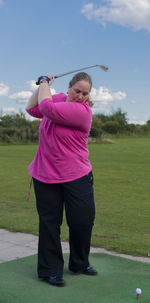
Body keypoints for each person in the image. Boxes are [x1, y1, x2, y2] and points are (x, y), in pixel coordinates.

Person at [26, 72, 97, 287]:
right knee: (49, 224)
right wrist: (42, 87)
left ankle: (79, 263)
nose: (81, 96)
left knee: (82, 222)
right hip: (45, 174)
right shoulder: (56, 99)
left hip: (77, 175)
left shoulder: (82, 112)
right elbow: (32, 108)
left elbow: (46, 108)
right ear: (69, 87)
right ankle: (50, 271)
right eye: (77, 91)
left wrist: (45, 83)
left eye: (85, 93)